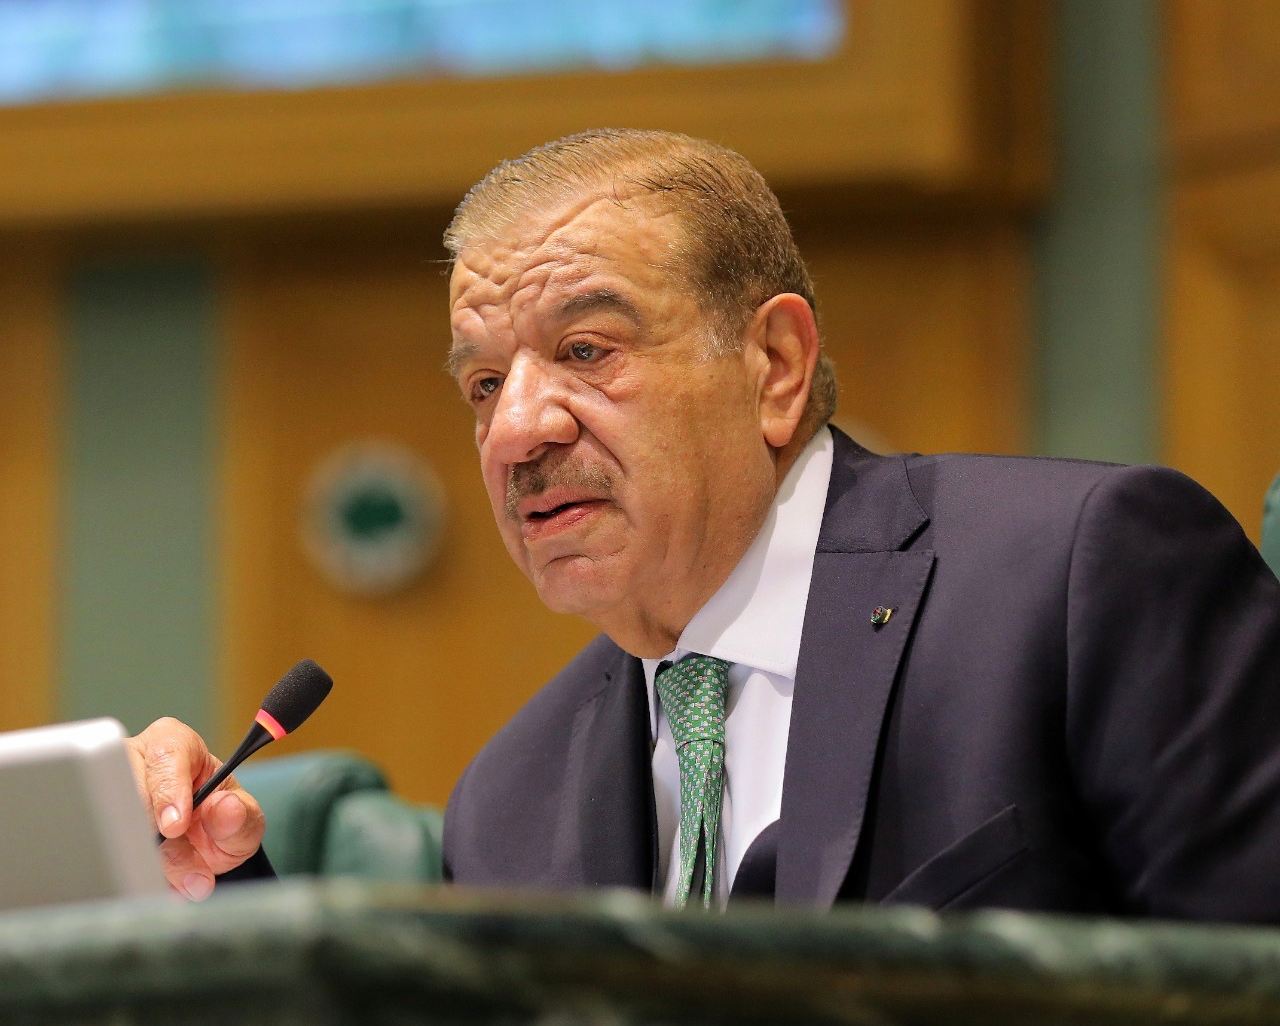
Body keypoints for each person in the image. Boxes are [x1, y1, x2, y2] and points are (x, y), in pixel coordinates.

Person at [131, 129, 1280, 919]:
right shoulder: (509, 800)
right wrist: (207, 887)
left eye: (586, 350)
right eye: (482, 384)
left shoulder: (1077, 578)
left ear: (773, 364)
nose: (515, 430)